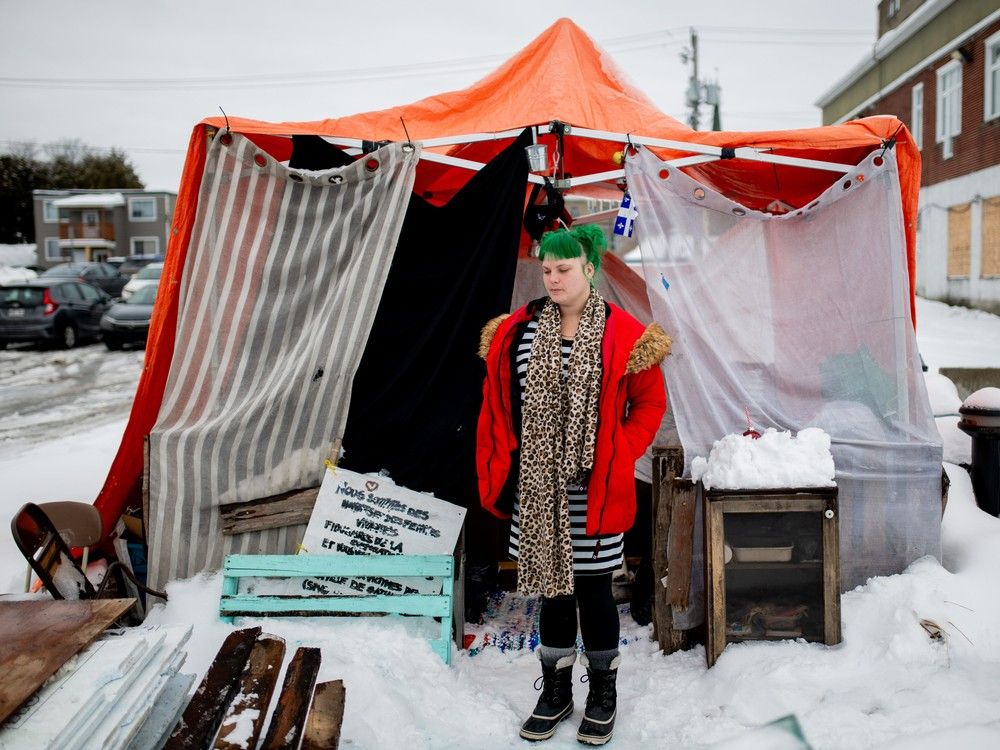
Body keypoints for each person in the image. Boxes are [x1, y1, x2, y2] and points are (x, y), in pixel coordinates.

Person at [477, 225, 670, 745]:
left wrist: (619, 450)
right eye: (546, 268)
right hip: (537, 487)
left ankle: (603, 691)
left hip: (594, 489)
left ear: (590, 267)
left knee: (594, 590)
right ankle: (556, 691)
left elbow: (649, 404)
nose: (553, 277)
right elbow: (499, 404)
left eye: (564, 268)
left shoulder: (625, 334)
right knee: (553, 591)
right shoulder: (516, 332)